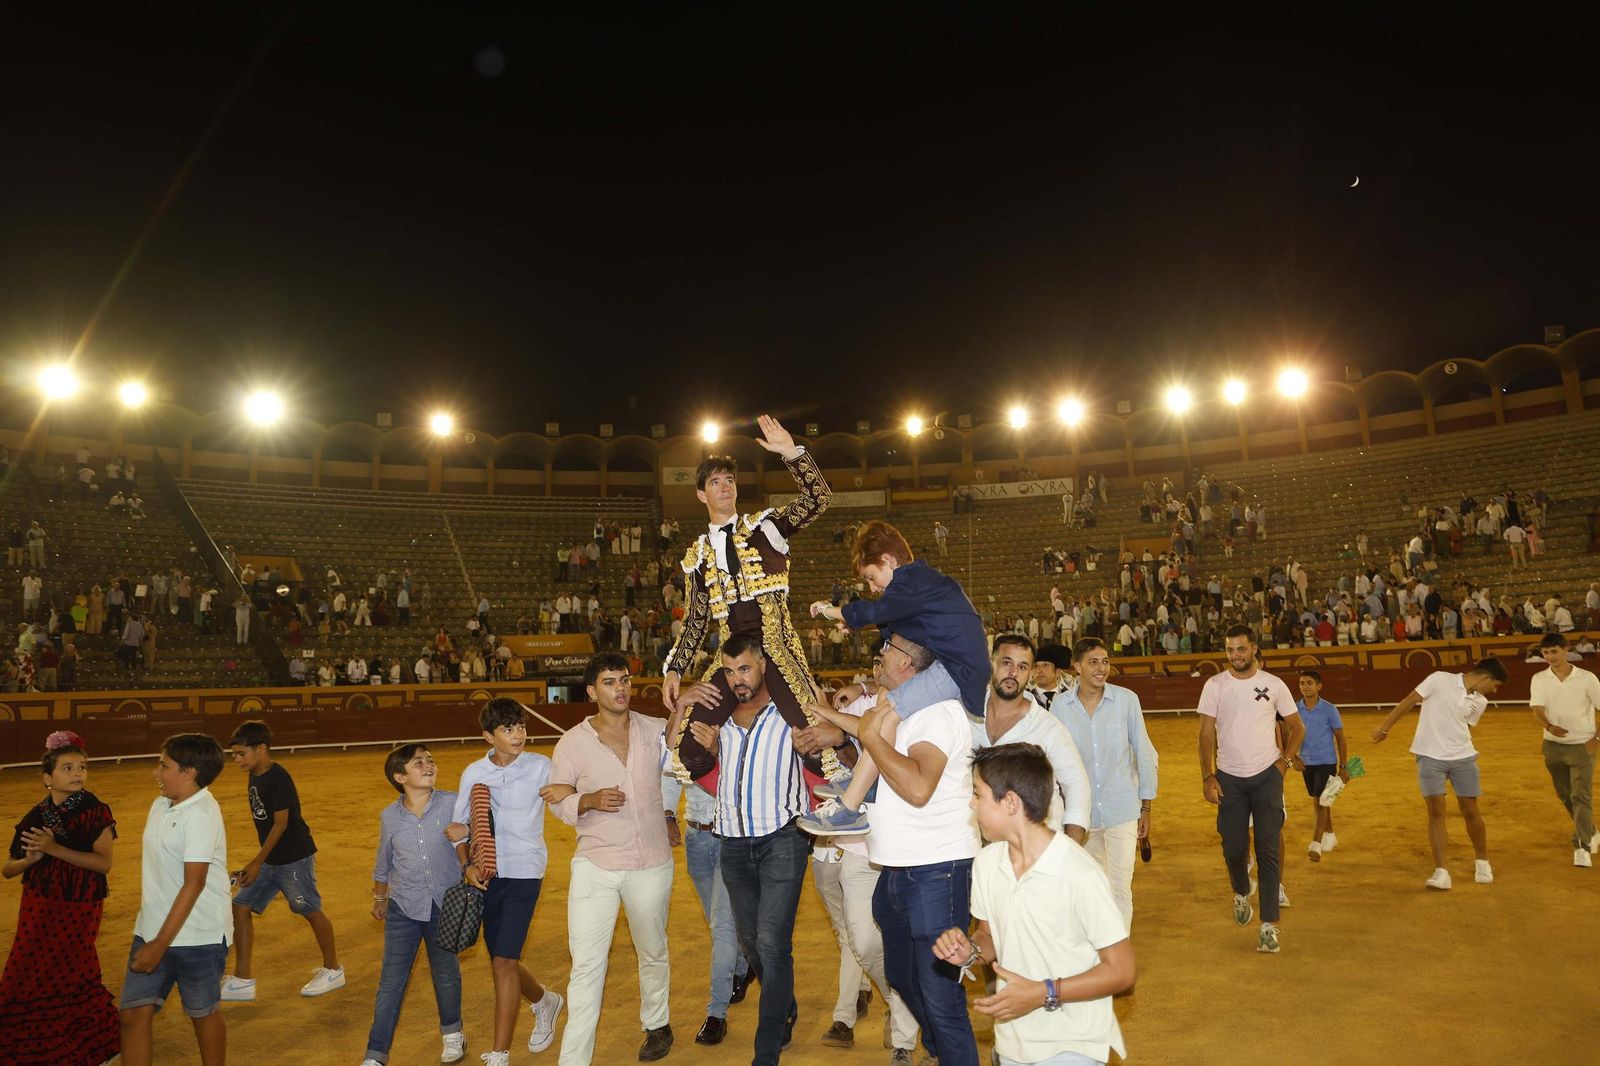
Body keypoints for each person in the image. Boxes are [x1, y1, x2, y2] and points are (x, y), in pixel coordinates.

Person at [664, 415, 842, 782]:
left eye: (729, 480)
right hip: (731, 657)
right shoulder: (697, 556)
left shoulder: (766, 528)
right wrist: (675, 670)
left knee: (814, 739)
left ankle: (835, 799)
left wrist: (791, 453)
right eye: (715, 482)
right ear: (702, 494)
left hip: (776, 648)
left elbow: (818, 499)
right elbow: (696, 620)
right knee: (689, 748)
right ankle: (732, 789)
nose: (725, 487)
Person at [933, 744, 1135, 1066]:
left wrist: (1044, 992)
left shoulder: (1079, 872)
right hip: (1013, 1041)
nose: (971, 803)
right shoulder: (987, 863)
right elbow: (989, 936)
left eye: (978, 794)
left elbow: (1122, 971)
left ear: (1010, 802)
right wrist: (969, 951)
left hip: (1073, 1044)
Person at [800, 519, 989, 836]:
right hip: (956, 663)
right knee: (884, 700)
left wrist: (832, 611)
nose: (873, 588)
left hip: (957, 667)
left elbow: (878, 612)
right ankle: (865, 780)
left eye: (871, 578)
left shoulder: (915, 580)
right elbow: (895, 625)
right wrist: (855, 628)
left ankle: (851, 807)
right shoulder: (919, 586)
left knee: (886, 716)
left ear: (888, 560)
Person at [680, 635, 811, 1066]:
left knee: (772, 942)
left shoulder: (792, 713)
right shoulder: (718, 721)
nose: (737, 679)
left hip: (783, 839)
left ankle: (765, 1051)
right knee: (752, 942)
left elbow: (824, 753)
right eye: (729, 671)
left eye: (744, 669)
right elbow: (691, 762)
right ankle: (784, 1004)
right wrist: (710, 751)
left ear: (763, 666)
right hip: (733, 842)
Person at [540, 654, 676, 1065]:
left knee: (652, 949)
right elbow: (556, 797)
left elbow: (680, 769)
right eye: (609, 682)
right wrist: (588, 800)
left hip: (651, 860)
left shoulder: (656, 730)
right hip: (596, 864)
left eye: (625, 680)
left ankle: (657, 1023)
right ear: (591, 691)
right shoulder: (572, 742)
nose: (620, 688)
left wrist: (670, 813)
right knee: (586, 966)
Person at [858, 633, 981, 1066]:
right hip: (899, 867)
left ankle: (952, 1054)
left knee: (940, 994)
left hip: (937, 869)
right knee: (902, 975)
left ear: (908, 662)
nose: (880, 654)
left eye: (888, 649)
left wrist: (871, 738)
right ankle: (941, 1051)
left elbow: (917, 787)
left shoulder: (936, 712)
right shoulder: (904, 709)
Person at [447, 698, 563, 1066]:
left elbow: (568, 794)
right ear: (489, 736)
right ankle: (545, 1000)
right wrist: (466, 864)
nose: (518, 735)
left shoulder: (542, 767)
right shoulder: (474, 773)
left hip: (526, 871)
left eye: (521, 727)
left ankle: (500, 1053)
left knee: (502, 961)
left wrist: (571, 792)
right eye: (508, 729)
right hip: (486, 876)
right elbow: (459, 828)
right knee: (502, 958)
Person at [0, 731, 120, 1066]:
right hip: (38, 904)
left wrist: (53, 849)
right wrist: (30, 860)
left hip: (80, 905)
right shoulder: (36, 816)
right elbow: (8, 869)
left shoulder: (96, 811)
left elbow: (103, 863)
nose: (78, 773)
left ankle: (81, 1042)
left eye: (82, 767)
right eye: (67, 768)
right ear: (47, 778)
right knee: (26, 966)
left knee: (68, 967)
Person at [118, 733, 233, 1066]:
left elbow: (193, 884)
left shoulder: (201, 814)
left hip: (198, 937)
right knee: (132, 1014)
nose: (156, 772)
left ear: (189, 772)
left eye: (163, 765)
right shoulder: (161, 804)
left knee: (202, 1013)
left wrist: (159, 944)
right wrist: (152, 937)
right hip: (152, 929)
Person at [360, 744, 468, 1066]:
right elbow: (384, 861)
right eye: (418, 763)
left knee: (445, 974)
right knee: (391, 982)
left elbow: (482, 833)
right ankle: (375, 1054)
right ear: (400, 777)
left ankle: (452, 1033)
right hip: (403, 908)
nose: (428, 765)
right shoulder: (390, 816)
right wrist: (380, 897)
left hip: (445, 906)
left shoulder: (453, 803)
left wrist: (468, 829)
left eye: (430, 760)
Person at [1198, 625, 1303, 953]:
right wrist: (1207, 776)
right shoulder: (1215, 686)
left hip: (1267, 777)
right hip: (1229, 779)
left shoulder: (1274, 684)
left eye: (1241, 649)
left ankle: (1269, 926)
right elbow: (1205, 734)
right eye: (1230, 650)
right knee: (1233, 847)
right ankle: (1242, 890)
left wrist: (1284, 763)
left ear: (1254, 648)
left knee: (1268, 850)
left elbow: (1297, 728)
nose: (1236, 656)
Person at [220, 721, 343, 1001]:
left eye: (241, 754)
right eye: (234, 754)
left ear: (261, 749)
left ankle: (333, 969)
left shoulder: (277, 777)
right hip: (271, 859)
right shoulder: (255, 774)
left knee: (309, 909)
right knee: (240, 905)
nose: (237, 759)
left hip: (294, 858)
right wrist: (259, 862)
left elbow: (281, 823)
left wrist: (256, 862)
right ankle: (242, 979)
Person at [1371, 656, 1509, 889]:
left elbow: (1464, 726)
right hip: (1429, 756)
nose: (1493, 691)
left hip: (1463, 757)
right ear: (1485, 677)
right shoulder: (1439, 679)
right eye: (1494, 685)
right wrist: (1384, 728)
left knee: (1471, 810)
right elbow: (1409, 701)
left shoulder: (1481, 701)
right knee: (1436, 812)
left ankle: (1482, 861)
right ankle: (1441, 871)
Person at [1052, 637, 1159, 928]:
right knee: (1093, 889)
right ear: (1077, 667)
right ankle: (1100, 946)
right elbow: (1053, 760)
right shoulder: (1060, 706)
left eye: (1105, 661)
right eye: (1093, 662)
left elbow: (1143, 751)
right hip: (1081, 815)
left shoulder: (1127, 700)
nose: (1101, 668)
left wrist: (1146, 807)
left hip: (1122, 809)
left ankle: (1118, 949)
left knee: (1120, 887)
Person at [972, 636, 1092, 840]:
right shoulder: (965, 714)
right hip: (979, 846)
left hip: (1037, 846)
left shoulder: (1048, 727)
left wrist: (1070, 848)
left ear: (1030, 673)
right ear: (992, 663)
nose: (1013, 673)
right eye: (1007, 662)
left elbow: (1076, 784)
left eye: (1022, 667)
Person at [1528, 633, 1600, 867]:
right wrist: (1549, 726)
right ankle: (1590, 830)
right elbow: (1537, 710)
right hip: (1552, 746)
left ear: (1566, 649)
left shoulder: (1587, 678)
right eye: (1546, 653)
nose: (1550, 657)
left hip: (1582, 745)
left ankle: (1582, 845)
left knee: (1581, 795)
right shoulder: (1539, 679)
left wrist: (1597, 738)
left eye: (1554, 652)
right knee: (1566, 795)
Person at [1292, 671, 1350, 861]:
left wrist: (1343, 766)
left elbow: (1341, 738)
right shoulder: (1294, 709)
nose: (1305, 686)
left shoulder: (1329, 709)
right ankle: (1330, 834)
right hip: (1306, 763)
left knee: (1320, 801)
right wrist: (1293, 757)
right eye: (1302, 683)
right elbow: (1287, 734)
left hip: (1327, 761)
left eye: (1309, 682)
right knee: (1321, 799)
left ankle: (1316, 844)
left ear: (1319, 686)